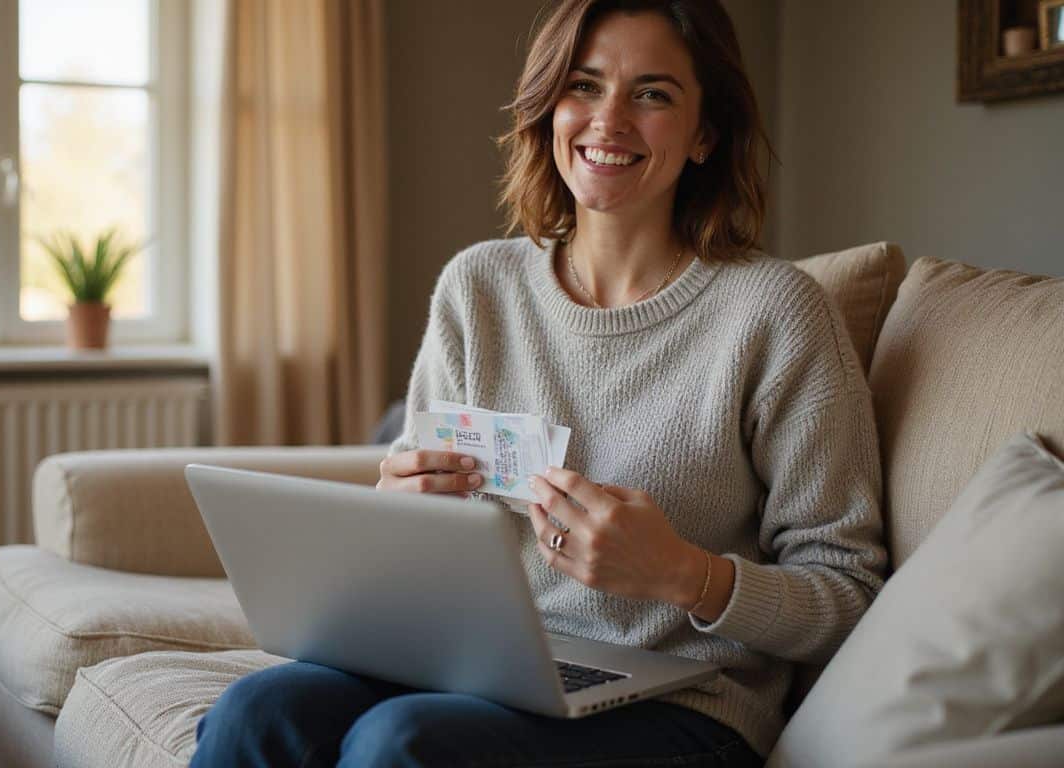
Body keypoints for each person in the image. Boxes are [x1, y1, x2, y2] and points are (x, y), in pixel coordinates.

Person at [192, 0, 888, 765]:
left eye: (652, 94)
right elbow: (428, 545)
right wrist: (399, 516)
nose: (609, 120)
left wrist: (687, 576)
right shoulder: (477, 288)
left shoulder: (775, 314)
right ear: (548, 108)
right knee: (258, 711)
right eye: (583, 86)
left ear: (705, 135)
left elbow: (848, 595)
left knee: (403, 744)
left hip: (687, 702)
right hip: (477, 667)